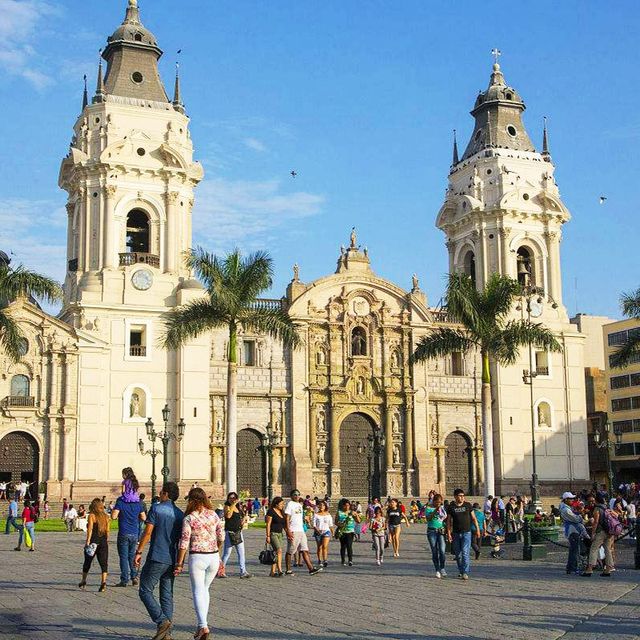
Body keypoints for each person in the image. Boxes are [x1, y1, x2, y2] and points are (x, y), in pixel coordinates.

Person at [134, 482, 184, 640]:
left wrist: (139, 551)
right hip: (172, 558)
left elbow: (148, 533)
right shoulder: (180, 514)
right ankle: (166, 635)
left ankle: (162, 621)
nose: (160, 494)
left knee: (145, 590)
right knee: (167, 595)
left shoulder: (156, 508)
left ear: (166, 494)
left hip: (157, 556)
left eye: (162, 492)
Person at [175, 487, 225, 640]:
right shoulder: (214, 515)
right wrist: (217, 551)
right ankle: (200, 626)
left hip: (198, 557)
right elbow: (221, 536)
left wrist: (179, 563)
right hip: (213, 557)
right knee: (205, 589)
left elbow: (184, 542)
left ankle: (203, 625)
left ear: (191, 500)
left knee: (198, 591)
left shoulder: (189, 518)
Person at [111, 487, 147, 587]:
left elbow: (113, 516)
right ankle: (134, 577)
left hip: (123, 532)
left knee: (123, 557)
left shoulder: (121, 501)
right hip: (134, 533)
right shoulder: (138, 502)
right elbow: (144, 517)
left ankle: (124, 579)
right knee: (132, 556)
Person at [446, 488, 480, 580]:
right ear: (455, 496)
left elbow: (474, 518)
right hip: (456, 533)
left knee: (465, 552)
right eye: (460, 496)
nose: (462, 497)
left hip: (466, 533)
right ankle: (461, 571)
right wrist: (449, 533)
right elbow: (448, 521)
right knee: (458, 554)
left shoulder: (468, 505)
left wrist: (478, 529)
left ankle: (465, 572)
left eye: (463, 496)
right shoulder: (451, 507)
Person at [285, 489, 321, 575]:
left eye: (298, 494)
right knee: (290, 551)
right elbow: (287, 518)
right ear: (291, 496)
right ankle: (288, 569)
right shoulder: (290, 504)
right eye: (295, 494)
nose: (297, 496)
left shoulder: (299, 505)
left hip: (301, 530)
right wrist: (288, 530)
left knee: (305, 550)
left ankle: (311, 569)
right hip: (294, 530)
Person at [79, 497, 110, 592]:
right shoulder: (106, 516)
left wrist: (87, 541)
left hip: (93, 542)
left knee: (87, 562)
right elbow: (108, 530)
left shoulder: (92, 516)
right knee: (104, 563)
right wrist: (106, 540)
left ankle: (84, 580)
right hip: (103, 542)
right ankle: (103, 582)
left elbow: (90, 529)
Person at [582, 494, 616, 577]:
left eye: (594, 500)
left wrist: (593, 533)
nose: (593, 502)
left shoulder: (597, 509)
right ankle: (608, 569)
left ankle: (589, 569)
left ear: (596, 500)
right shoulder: (606, 507)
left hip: (600, 532)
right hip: (609, 531)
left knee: (594, 548)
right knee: (607, 549)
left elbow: (596, 522)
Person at [220, 492, 251, 579]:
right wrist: (233, 504)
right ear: (228, 499)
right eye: (230, 498)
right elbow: (228, 516)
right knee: (227, 553)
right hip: (230, 532)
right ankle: (220, 571)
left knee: (241, 553)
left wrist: (244, 518)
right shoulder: (227, 506)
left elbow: (239, 521)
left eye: (234, 498)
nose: (232, 499)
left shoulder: (237, 508)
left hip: (238, 532)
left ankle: (243, 571)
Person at [559, 491, 589, 575]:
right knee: (574, 551)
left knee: (574, 550)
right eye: (571, 499)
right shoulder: (565, 510)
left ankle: (571, 567)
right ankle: (572, 568)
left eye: (573, 498)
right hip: (572, 531)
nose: (572, 500)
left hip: (573, 530)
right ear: (565, 500)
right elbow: (576, 519)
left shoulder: (567, 508)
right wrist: (581, 516)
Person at [425, 493, 447, 577]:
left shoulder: (442, 508)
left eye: (440, 502)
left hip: (440, 531)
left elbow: (444, 518)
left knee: (442, 550)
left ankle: (442, 568)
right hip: (432, 531)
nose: (438, 504)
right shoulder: (428, 508)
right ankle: (437, 569)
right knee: (434, 551)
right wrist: (435, 510)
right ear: (434, 501)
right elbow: (428, 518)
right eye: (437, 502)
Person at [335, 498, 361, 566]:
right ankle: (343, 560)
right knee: (343, 546)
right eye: (345, 505)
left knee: (349, 546)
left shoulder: (352, 512)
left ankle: (350, 560)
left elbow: (358, 521)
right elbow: (336, 522)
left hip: (350, 531)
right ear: (343, 506)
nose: (347, 507)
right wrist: (341, 524)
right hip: (342, 531)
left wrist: (356, 515)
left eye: (348, 505)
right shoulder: (339, 512)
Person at [265, 496, 286, 577]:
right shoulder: (270, 511)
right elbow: (268, 524)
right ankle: (280, 570)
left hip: (280, 534)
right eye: (281, 504)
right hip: (273, 534)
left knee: (276, 553)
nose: (282, 505)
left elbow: (283, 524)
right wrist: (268, 536)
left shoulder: (281, 512)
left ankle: (272, 572)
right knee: (279, 550)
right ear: (276, 504)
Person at [312, 500, 333, 567]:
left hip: (326, 531)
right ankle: (319, 560)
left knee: (325, 546)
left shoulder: (328, 515)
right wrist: (317, 530)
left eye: (323, 505)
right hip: (318, 532)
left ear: (325, 506)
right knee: (319, 547)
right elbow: (314, 524)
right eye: (320, 505)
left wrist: (332, 533)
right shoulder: (316, 515)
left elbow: (330, 525)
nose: (321, 506)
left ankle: (325, 560)